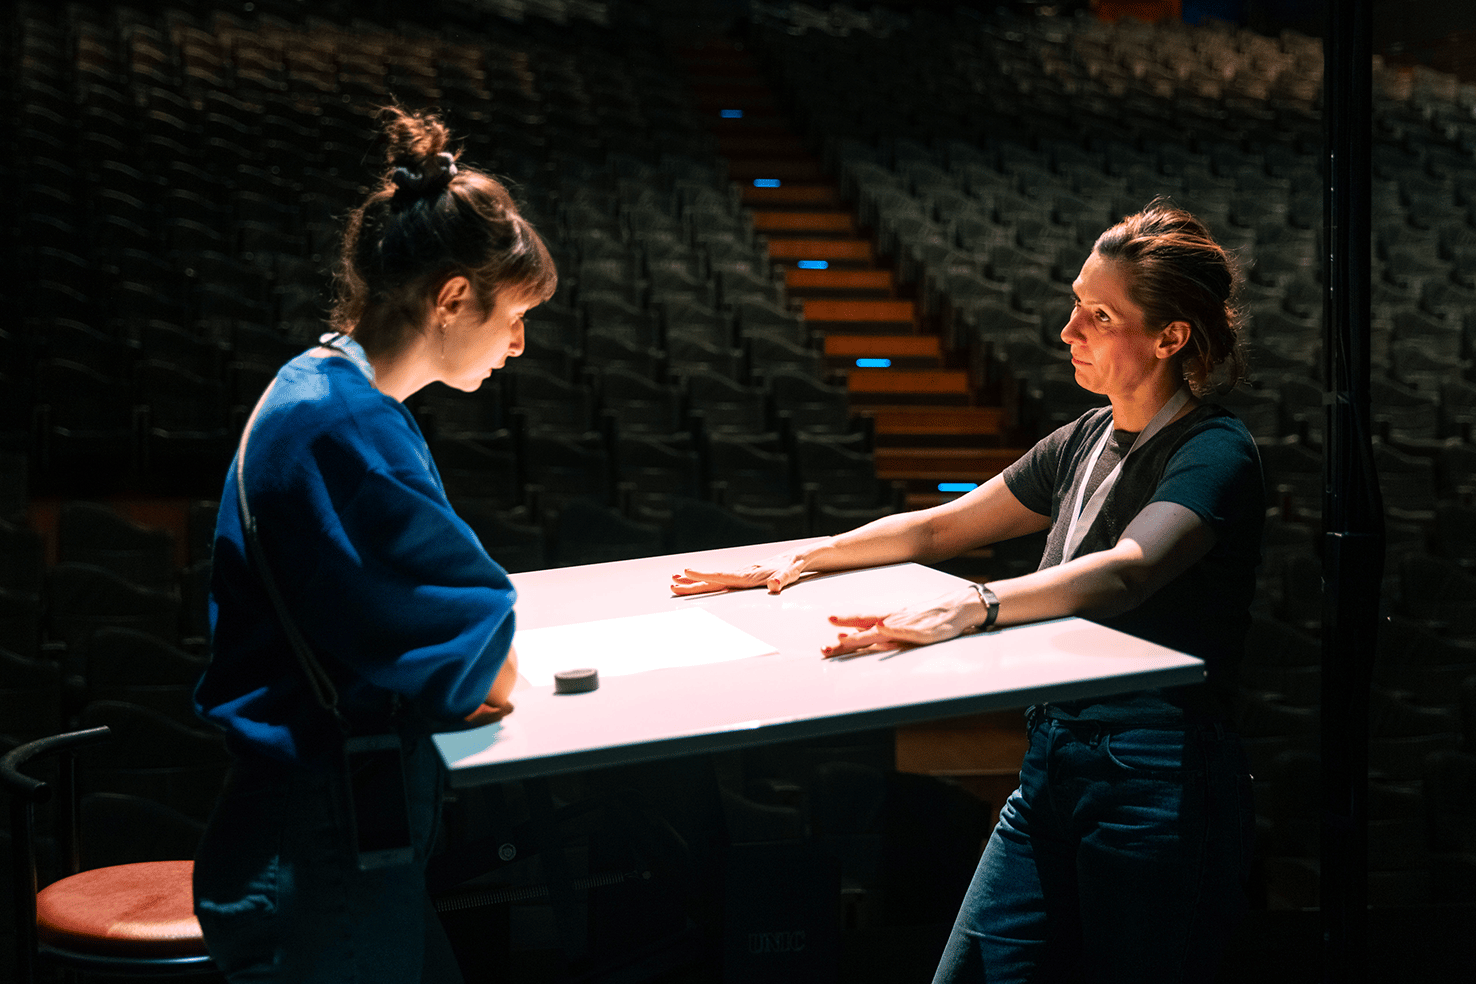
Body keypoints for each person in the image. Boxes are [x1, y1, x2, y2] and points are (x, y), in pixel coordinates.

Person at [673, 201, 1263, 984]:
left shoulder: (1216, 450)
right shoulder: (1083, 437)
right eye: (1074, 306)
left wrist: (975, 606)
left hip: (1157, 772)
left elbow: (1129, 569)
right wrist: (803, 559)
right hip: (1054, 758)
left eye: (1098, 315)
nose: (1068, 331)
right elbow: (935, 531)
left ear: (1170, 337)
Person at [193, 106, 556, 982]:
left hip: (317, 834)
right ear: (453, 296)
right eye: (513, 315)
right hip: (317, 856)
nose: (517, 344)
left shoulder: (318, 385)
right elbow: (484, 666)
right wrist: (467, 672)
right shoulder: (341, 426)